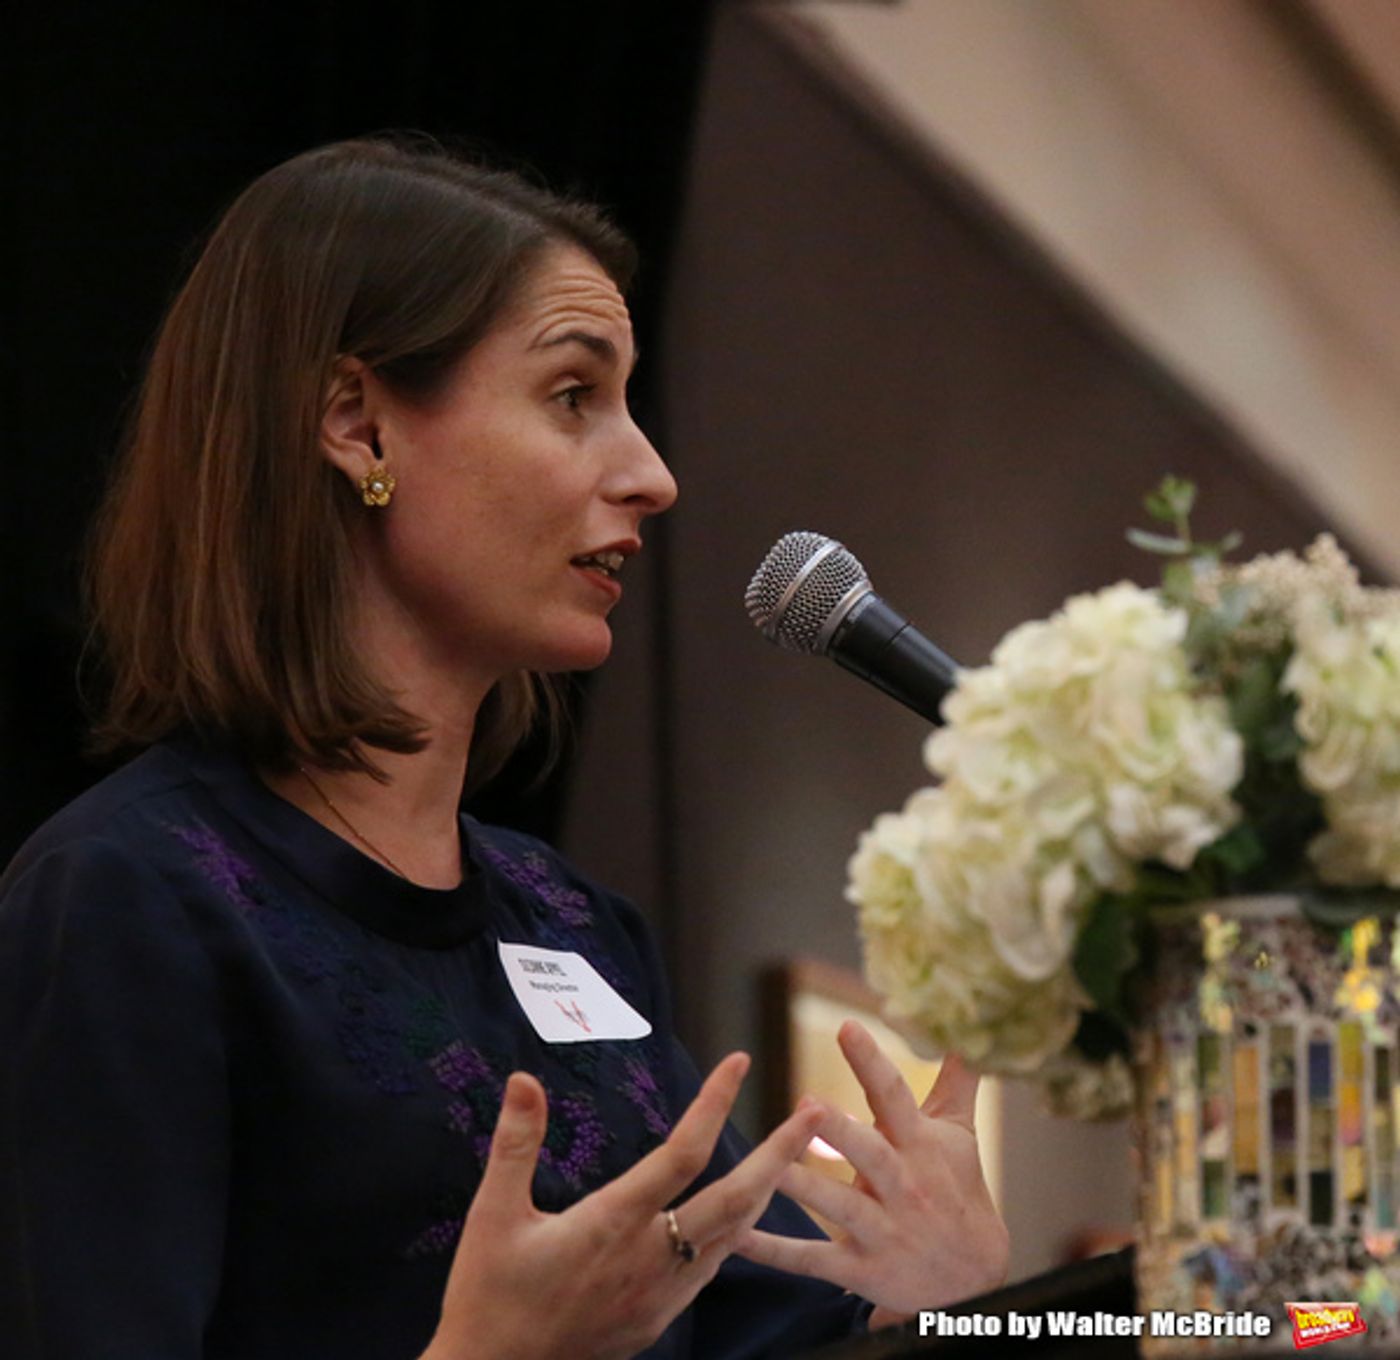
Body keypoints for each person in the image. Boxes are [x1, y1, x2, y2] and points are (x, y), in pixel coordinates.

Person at [0, 136, 1007, 1360]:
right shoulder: (130, 897)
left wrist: (931, 1307)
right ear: (358, 426)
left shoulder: (572, 923)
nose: (651, 475)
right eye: (573, 394)